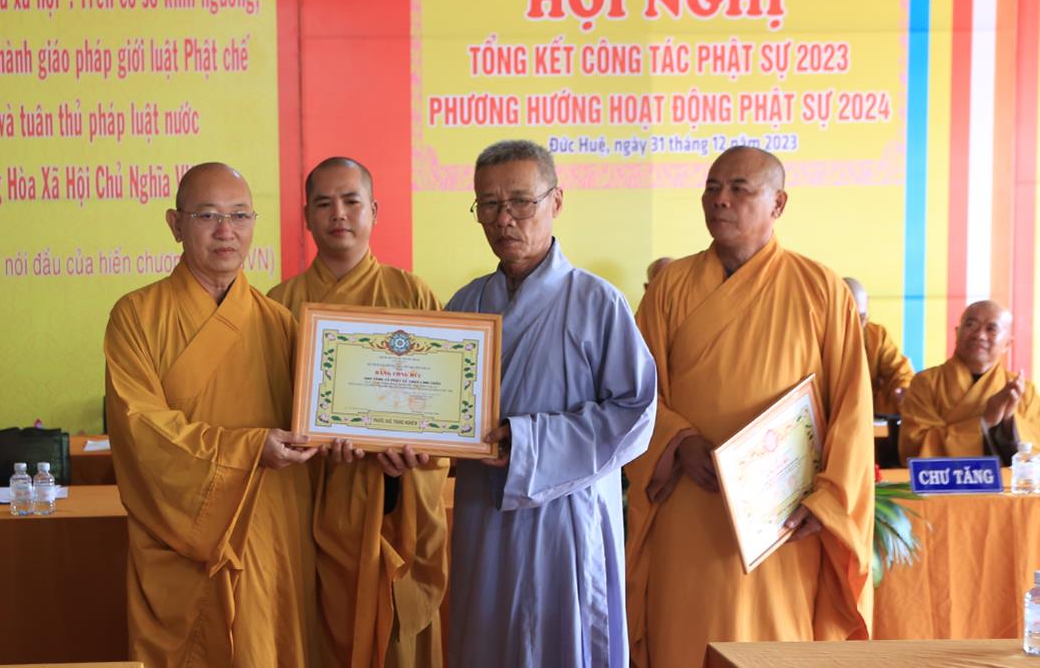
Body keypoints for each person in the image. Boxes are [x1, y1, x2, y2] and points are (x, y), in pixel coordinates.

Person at [625, 146, 873, 668]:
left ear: (778, 204)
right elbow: (637, 394)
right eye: (712, 188)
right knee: (684, 640)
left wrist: (829, 501)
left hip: (783, 521)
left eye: (740, 189)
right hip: (689, 504)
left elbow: (852, 409)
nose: (721, 200)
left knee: (774, 644)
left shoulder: (821, 290)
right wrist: (678, 441)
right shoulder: (669, 287)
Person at [445, 139, 657, 667]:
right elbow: (442, 412)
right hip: (481, 514)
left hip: (565, 517)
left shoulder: (598, 302)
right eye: (488, 205)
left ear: (556, 201)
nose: (504, 219)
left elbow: (635, 414)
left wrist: (527, 441)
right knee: (485, 639)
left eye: (521, 202)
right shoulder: (465, 304)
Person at [104, 162, 318, 668]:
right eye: (208, 215)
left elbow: (315, 423)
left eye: (240, 215)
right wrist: (250, 449)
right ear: (175, 224)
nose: (227, 231)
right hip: (180, 540)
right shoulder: (135, 316)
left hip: (268, 531)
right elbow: (141, 431)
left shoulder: (280, 324)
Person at [269, 157, 448, 668]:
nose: (338, 214)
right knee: (320, 631)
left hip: (396, 505)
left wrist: (413, 456)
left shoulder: (412, 293)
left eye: (351, 201)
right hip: (314, 500)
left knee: (397, 643)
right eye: (324, 204)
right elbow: (272, 407)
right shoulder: (279, 304)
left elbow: (440, 408)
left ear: (374, 210)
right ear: (306, 216)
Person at [898, 300, 1039, 464]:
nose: (979, 335)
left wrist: (1008, 421)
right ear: (957, 332)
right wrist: (985, 420)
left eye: (991, 329)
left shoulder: (1024, 392)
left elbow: (1034, 456)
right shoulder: (926, 383)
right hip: (945, 480)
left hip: (1005, 481)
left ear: (1008, 343)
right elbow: (914, 448)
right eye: (971, 325)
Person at [844, 277, 914, 415]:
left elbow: (899, 371)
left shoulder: (877, 336)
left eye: (862, 317)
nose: (858, 324)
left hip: (868, 414)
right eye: (850, 317)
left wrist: (903, 390)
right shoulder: (819, 338)